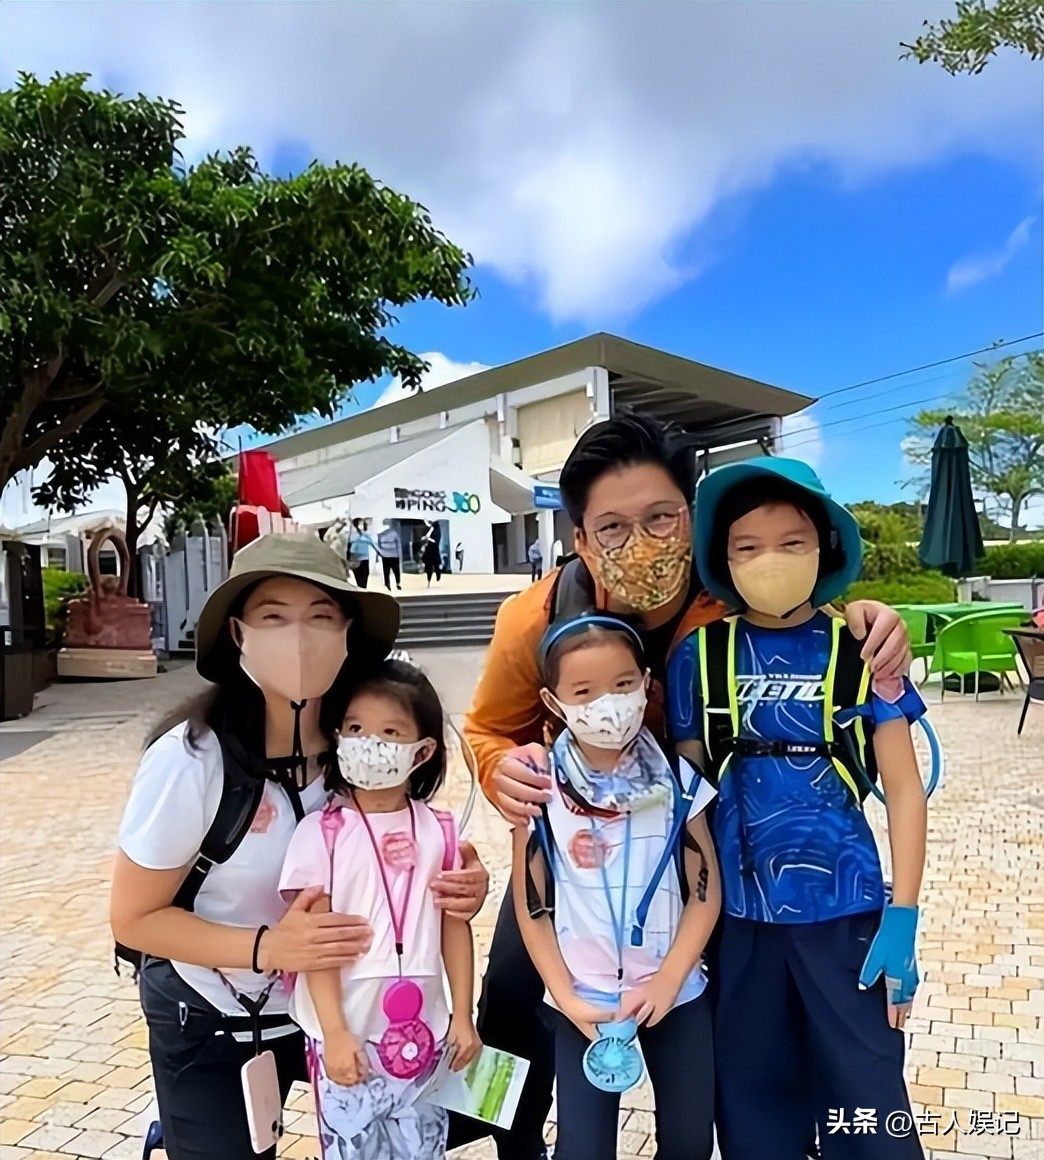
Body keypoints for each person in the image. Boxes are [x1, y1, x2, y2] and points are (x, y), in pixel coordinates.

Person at [451, 413, 913, 1160]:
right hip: (579, 846)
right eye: (612, 528)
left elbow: (803, 613)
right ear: (580, 540)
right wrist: (497, 767)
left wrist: (868, 615)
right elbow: (485, 729)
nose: (641, 542)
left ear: (691, 518)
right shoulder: (531, 619)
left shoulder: (727, 595)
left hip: (697, 837)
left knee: (724, 1001)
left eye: (661, 517)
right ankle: (508, 1136)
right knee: (509, 987)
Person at [110, 533, 489, 1160]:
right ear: (238, 633)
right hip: (211, 1012)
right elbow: (133, 919)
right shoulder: (191, 760)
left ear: (348, 633)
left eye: (320, 616)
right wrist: (269, 947)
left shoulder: (362, 748)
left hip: (334, 1015)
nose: (299, 638)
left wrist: (459, 888)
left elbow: (405, 856)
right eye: (273, 617)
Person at [667, 458, 928, 1160]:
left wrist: (903, 915)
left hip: (845, 916)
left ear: (825, 548)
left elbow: (904, 788)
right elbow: (689, 799)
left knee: (868, 1102)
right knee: (753, 1106)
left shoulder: (864, 649)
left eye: (792, 542)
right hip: (739, 923)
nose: (770, 560)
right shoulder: (698, 656)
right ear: (723, 560)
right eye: (747, 547)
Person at [513, 614, 719, 1160]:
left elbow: (705, 891)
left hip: (674, 994)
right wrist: (564, 994)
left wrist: (668, 982)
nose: (607, 703)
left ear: (646, 683)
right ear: (554, 702)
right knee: (582, 1149)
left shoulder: (678, 780)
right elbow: (531, 905)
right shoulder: (539, 790)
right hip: (584, 999)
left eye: (623, 684)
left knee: (690, 1142)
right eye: (584, 691)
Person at [281, 660, 481, 1160]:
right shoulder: (320, 835)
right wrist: (334, 1033)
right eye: (355, 729)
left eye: (390, 732)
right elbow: (316, 947)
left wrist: (462, 1015)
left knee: (424, 1148)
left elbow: (454, 928)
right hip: (347, 1035)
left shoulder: (439, 831)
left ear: (423, 751)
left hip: (426, 1034)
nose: (369, 743)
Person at [348, 519, 379, 589]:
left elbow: (373, 544)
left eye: (362, 524)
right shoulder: (354, 535)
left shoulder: (366, 535)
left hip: (364, 559)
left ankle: (362, 590)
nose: (362, 526)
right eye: (360, 524)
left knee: (363, 580)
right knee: (360, 580)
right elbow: (351, 548)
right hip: (357, 560)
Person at [377, 519, 403, 591]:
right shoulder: (394, 533)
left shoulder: (380, 534)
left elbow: (378, 546)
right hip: (394, 555)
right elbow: (398, 545)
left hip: (385, 555)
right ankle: (397, 583)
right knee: (396, 571)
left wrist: (379, 554)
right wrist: (399, 555)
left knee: (386, 571)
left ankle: (387, 584)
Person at [421, 522, 443, 587]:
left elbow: (435, 541)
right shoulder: (430, 529)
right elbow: (426, 536)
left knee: (436, 565)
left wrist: (428, 538)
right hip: (429, 549)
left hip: (434, 549)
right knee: (428, 565)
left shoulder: (437, 531)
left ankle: (438, 575)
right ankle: (429, 579)